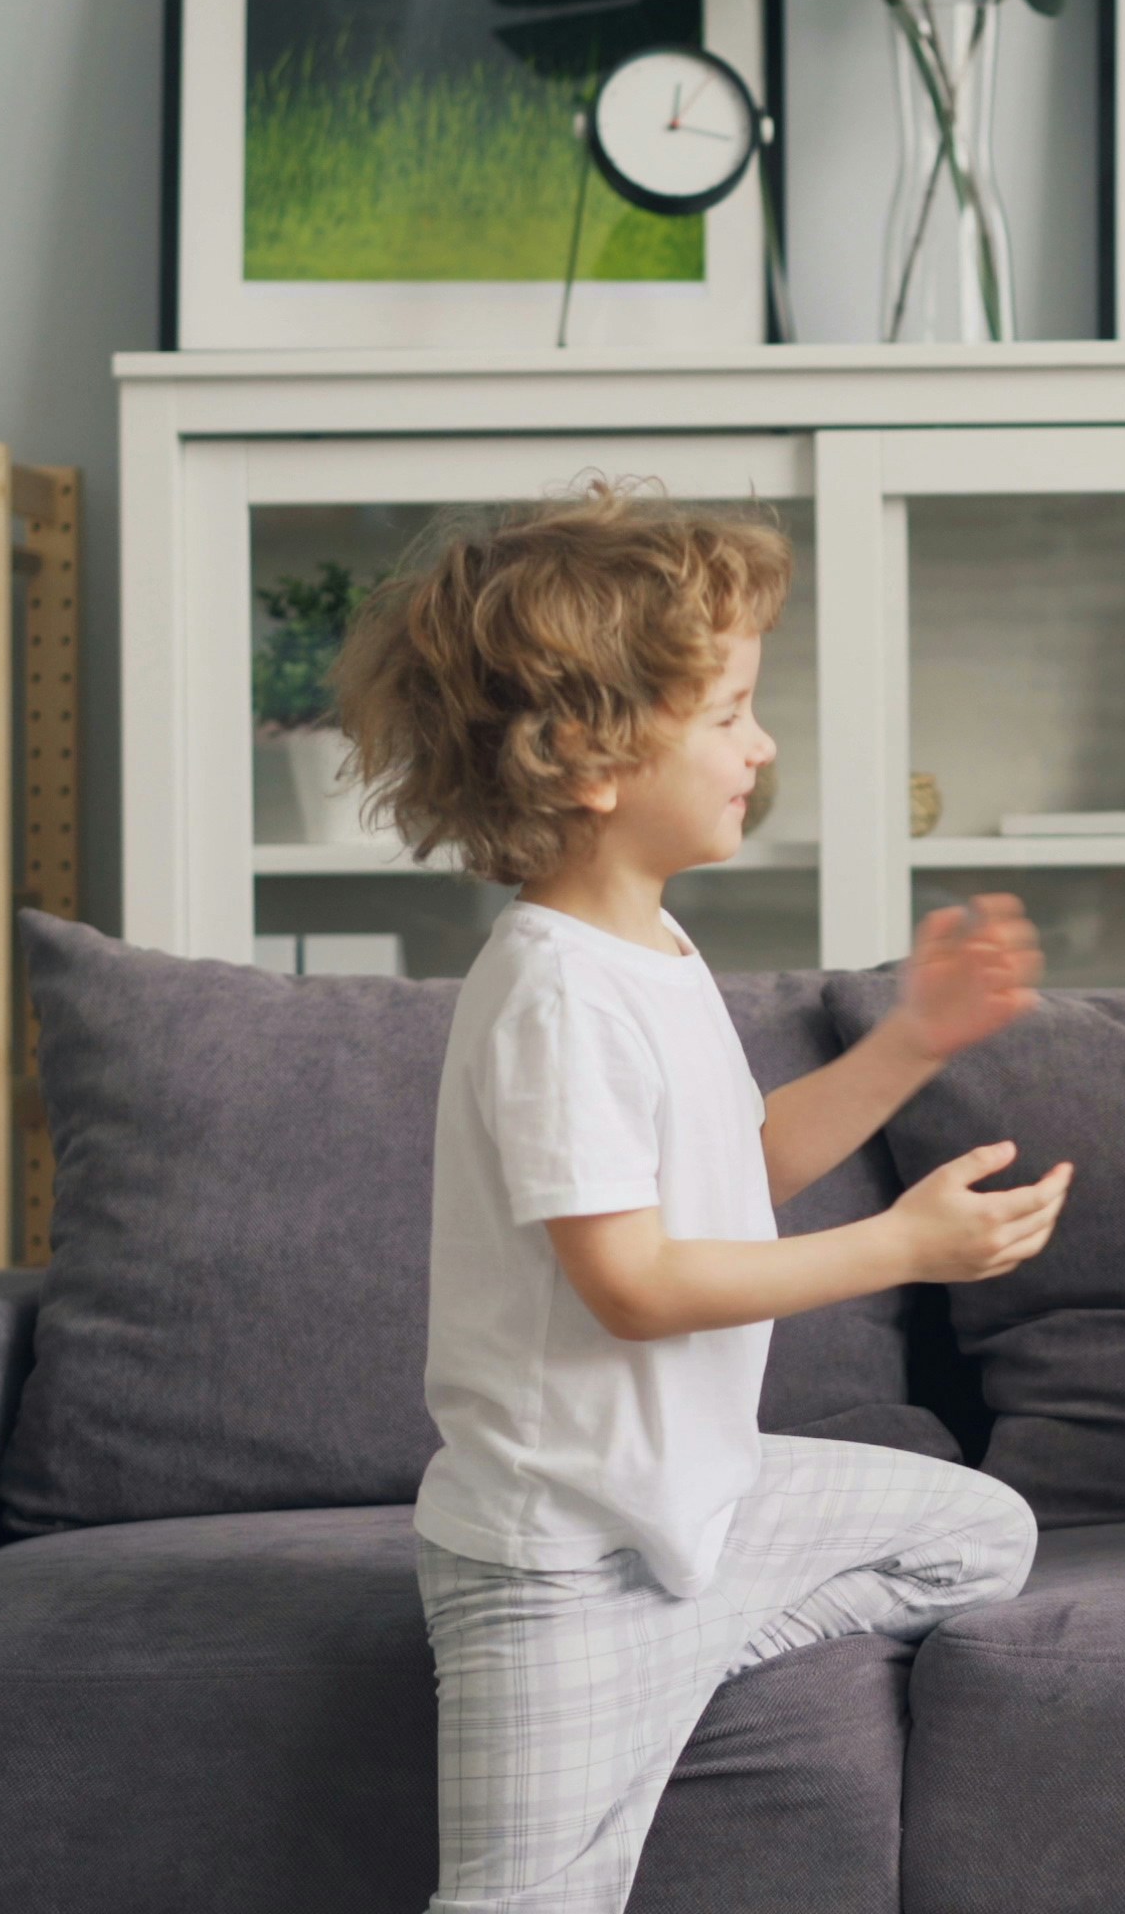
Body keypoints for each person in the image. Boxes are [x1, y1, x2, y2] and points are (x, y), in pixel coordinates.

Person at [334, 491, 1068, 1914]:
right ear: (592, 758)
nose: (763, 745)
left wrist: (912, 1039)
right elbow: (637, 1283)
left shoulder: (653, 949)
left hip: (698, 1513)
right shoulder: (554, 988)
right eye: (730, 711)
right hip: (564, 1558)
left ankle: (690, 1645)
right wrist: (901, 1247)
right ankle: (644, 1661)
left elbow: (742, 1163)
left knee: (983, 1532)